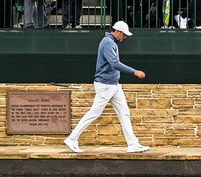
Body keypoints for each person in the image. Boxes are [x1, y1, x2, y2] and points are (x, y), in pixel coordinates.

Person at [63, 21, 149, 154]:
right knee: (94, 113)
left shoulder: (110, 42)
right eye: (124, 34)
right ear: (118, 32)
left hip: (113, 85)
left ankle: (133, 144)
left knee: (124, 112)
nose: (125, 37)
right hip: (106, 85)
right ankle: (72, 138)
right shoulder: (108, 43)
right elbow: (114, 63)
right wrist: (134, 71)